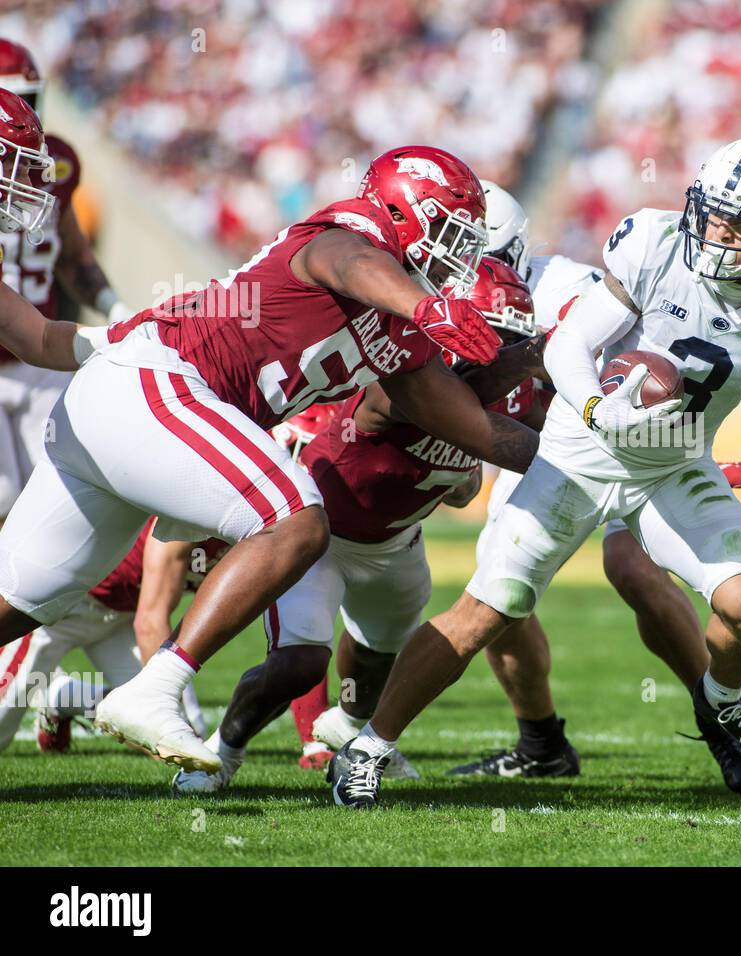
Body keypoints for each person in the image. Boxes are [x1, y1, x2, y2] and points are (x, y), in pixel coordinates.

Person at [329, 135, 741, 809]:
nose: (719, 233)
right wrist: (594, 410)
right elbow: (574, 345)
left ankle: (722, 702)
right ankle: (368, 747)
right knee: (490, 610)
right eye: (713, 212)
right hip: (578, 451)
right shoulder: (655, 244)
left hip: (674, 465)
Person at [0, 143, 539, 774]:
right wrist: (423, 304)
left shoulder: (402, 338)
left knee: (20, 601)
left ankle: (152, 687)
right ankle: (157, 687)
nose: (459, 256)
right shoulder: (350, 234)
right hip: (150, 385)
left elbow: (479, 429)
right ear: (403, 210)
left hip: (122, 411)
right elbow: (347, 262)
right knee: (297, 518)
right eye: (450, 232)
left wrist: (582, 458)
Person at [445, 181, 741, 793]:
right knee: (498, 592)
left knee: (632, 566)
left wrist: (688, 463)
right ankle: (541, 742)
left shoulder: (568, 289)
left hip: (624, 449)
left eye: (477, 254)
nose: (460, 268)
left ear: (513, 250)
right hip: (542, 461)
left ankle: (719, 726)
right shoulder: (426, 299)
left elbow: (660, 372)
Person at [171, 258, 543, 794]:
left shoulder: (512, 392)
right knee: (298, 665)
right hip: (319, 538)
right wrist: (527, 362)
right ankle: (223, 751)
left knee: (371, 676)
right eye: (493, 334)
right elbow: (475, 429)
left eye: (510, 338)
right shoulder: (402, 370)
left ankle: (351, 739)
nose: (498, 350)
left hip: (398, 547)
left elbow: (544, 438)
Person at [0, 40, 132, 519]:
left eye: (28, 104)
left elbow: (72, 260)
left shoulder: (54, 162)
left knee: (59, 491)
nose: (24, 121)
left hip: (36, 351)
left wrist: (119, 319)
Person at [0, 521, 223, 753]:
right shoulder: (188, 518)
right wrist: (173, 720)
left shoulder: (249, 530)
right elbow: (151, 622)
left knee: (152, 734)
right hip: (57, 611)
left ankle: (62, 696)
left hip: (119, 619)